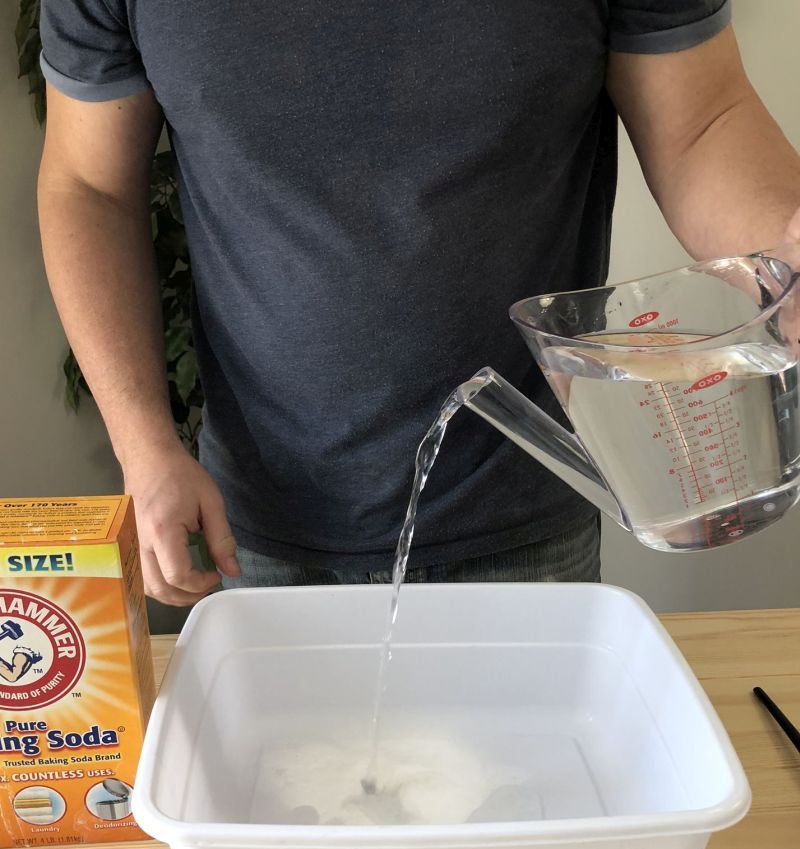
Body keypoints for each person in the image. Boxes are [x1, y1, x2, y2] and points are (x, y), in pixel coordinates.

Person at [37, 1, 800, 606]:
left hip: (525, 506)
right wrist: (142, 445)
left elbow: (702, 124)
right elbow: (88, 186)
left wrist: (788, 265)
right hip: (262, 523)